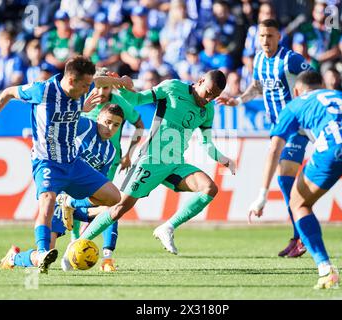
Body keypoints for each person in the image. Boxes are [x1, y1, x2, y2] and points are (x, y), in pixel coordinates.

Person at [0, 55, 128, 273]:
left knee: (114, 197)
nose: (88, 90)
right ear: (71, 81)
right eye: (85, 86)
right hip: (47, 162)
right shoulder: (41, 91)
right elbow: (8, 92)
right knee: (47, 201)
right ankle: (36, 253)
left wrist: (121, 82)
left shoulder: (83, 86)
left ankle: (70, 205)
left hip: (73, 162)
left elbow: (101, 81)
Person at [249, 70, 342, 289]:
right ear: (323, 86)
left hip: (334, 146)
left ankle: (326, 270)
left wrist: (262, 195)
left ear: (296, 91)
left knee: (298, 203)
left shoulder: (294, 104)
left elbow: (275, 148)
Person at [64, 69, 236, 257]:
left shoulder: (207, 110)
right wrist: (121, 86)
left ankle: (167, 227)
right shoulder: (173, 87)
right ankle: (77, 245)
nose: (209, 99)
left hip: (175, 164)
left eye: (215, 96)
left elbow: (206, 142)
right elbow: (138, 100)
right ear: (201, 80)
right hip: (150, 161)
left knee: (209, 188)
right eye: (209, 92)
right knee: (118, 209)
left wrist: (223, 159)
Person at [216, 19, 312, 258]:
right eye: (262, 36)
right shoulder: (258, 60)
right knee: (285, 182)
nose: (265, 41)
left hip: (297, 127)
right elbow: (258, 87)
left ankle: (304, 236)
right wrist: (238, 100)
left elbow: (314, 82)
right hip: (276, 127)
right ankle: (299, 235)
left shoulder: (290, 59)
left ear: (279, 36)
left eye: (270, 36)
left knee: (285, 177)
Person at [0, 104, 123, 271]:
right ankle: (14, 257)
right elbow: (61, 121)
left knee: (113, 208)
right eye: (107, 122)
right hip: (59, 190)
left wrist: (75, 203)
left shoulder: (110, 152)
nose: (110, 128)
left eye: (116, 125)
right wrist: (79, 110)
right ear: (98, 118)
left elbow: (99, 187)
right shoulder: (85, 126)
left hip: (76, 201)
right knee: (45, 255)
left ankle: (107, 259)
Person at [59, 67, 145, 271]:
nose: (101, 91)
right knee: (81, 204)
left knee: (111, 204)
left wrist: (129, 153)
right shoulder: (87, 98)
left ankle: (107, 257)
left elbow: (140, 125)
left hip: (108, 159)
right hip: (81, 158)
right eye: (98, 86)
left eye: (106, 87)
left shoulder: (119, 103)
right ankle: (75, 243)